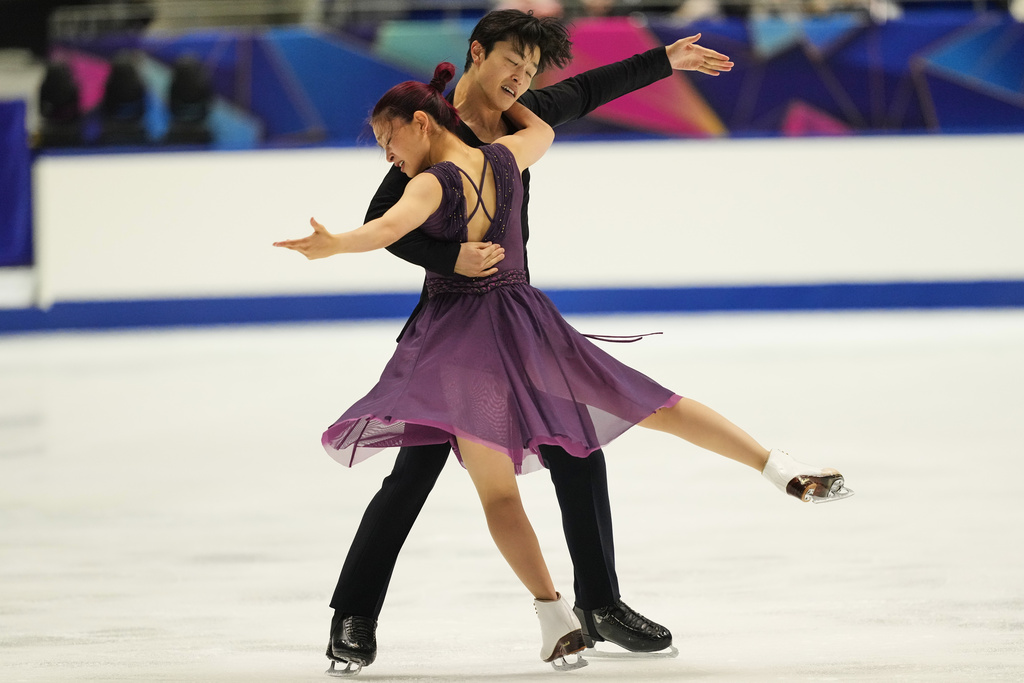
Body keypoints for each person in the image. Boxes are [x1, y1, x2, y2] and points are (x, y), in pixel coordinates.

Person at [275, 61, 852, 670]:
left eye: (388, 141)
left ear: (420, 122)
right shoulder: (508, 157)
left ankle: (557, 615)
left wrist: (337, 243)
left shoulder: (429, 182)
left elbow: (387, 227)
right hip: (526, 321)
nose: (387, 156)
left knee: (501, 490)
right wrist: (505, 107)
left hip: (459, 342)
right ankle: (775, 465)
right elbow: (544, 129)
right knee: (652, 403)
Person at [315, 10, 737, 675]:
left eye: (533, 70)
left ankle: (600, 602)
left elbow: (592, 89)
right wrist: (451, 259)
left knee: (579, 448)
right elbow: (382, 223)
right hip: (454, 332)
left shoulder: (523, 117)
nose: (522, 77)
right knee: (413, 476)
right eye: (513, 62)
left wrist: (665, 60)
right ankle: (353, 616)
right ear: (478, 52)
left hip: (516, 321)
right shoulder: (430, 125)